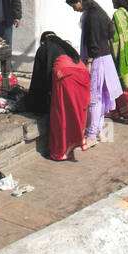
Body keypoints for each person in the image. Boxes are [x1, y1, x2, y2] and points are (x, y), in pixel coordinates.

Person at [65, 0, 123, 150]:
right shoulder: (96, 12)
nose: (74, 9)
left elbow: (93, 40)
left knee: (94, 97)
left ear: (78, 1)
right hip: (104, 57)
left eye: (73, 5)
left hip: (97, 59)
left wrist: (89, 61)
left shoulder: (91, 16)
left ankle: (91, 135)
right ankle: (96, 130)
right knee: (102, 96)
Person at [30, 32, 91, 160]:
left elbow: (39, 79)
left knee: (61, 114)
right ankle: (74, 144)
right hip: (83, 77)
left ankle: (60, 152)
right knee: (75, 113)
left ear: (42, 42)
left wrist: (34, 103)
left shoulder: (44, 48)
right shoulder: (66, 46)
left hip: (66, 77)